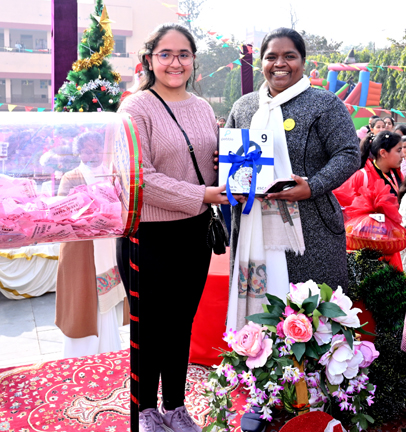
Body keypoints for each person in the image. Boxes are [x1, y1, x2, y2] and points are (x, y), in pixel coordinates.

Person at [117, 23, 230, 432]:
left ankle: (176, 406)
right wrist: (202, 193)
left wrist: (228, 167)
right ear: (150, 59)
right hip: (147, 235)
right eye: (165, 54)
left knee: (181, 323)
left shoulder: (202, 108)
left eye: (183, 54)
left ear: (193, 60)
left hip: (193, 233)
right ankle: (146, 410)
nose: (175, 62)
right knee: (149, 327)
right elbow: (139, 178)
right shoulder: (135, 108)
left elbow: (211, 162)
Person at [225, 27, 360, 335]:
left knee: (313, 322)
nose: (280, 64)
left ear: (303, 61)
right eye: (271, 57)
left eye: (289, 56)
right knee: (260, 327)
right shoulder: (244, 107)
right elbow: (229, 157)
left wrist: (313, 185)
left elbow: (349, 153)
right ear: (261, 62)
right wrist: (228, 175)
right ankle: (259, 361)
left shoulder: (324, 104)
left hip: (312, 230)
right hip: (252, 223)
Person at [55, 131, 129, 358]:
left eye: (97, 150)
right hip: (80, 251)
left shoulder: (111, 175)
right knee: (81, 304)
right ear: (78, 153)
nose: (93, 154)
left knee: (104, 306)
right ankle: (79, 356)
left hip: (106, 248)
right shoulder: (71, 177)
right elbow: (61, 214)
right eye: (87, 151)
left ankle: (107, 351)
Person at [338, 131, 404, 269]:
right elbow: (342, 205)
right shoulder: (361, 176)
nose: (402, 155)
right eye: (398, 151)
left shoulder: (397, 175)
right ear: (383, 153)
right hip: (366, 248)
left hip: (390, 246)